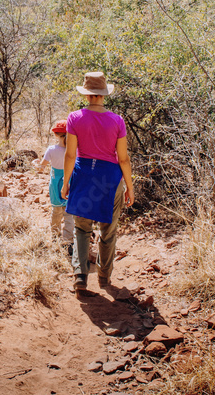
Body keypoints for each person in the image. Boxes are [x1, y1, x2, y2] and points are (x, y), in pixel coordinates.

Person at [61, 71, 134, 293]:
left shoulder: (74, 118)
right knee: (108, 231)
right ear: (103, 94)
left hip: (84, 177)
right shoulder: (117, 120)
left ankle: (80, 276)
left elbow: (71, 155)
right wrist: (130, 187)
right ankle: (104, 278)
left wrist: (65, 183)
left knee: (82, 229)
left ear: (86, 94)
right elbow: (123, 158)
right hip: (109, 180)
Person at [35, 120, 74, 248]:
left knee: (56, 211)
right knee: (69, 215)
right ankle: (68, 242)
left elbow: (41, 168)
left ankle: (55, 238)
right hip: (69, 183)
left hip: (56, 185)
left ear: (56, 134)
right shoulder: (74, 150)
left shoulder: (51, 150)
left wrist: (34, 163)